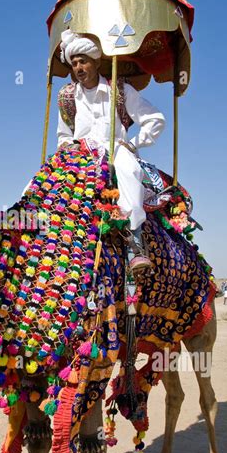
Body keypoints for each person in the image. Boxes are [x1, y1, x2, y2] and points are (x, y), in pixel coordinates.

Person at [57, 30, 165, 273]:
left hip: (115, 148)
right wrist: (67, 148)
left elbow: (155, 119)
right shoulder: (66, 97)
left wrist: (134, 143)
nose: (78, 67)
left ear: (95, 62)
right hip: (80, 155)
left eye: (83, 61)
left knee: (129, 170)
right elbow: (63, 135)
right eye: (74, 63)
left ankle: (134, 242)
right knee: (41, 182)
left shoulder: (120, 89)